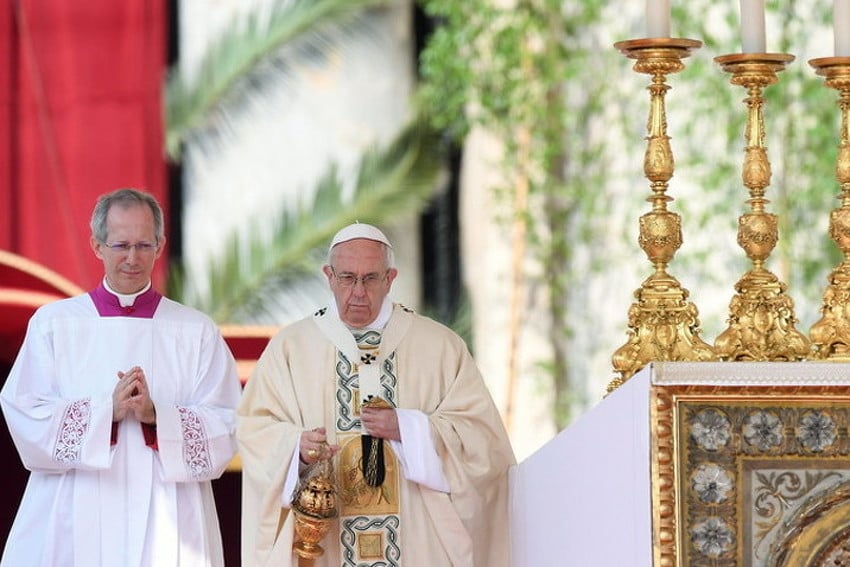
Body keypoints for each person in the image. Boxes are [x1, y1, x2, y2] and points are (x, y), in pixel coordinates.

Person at [237, 222, 516, 567]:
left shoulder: (440, 346)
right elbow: (254, 429)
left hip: (416, 540)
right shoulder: (290, 348)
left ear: (390, 278)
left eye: (370, 278)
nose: (358, 292)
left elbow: (483, 442)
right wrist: (297, 449)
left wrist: (410, 429)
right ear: (328, 275)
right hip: (330, 541)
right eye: (347, 278)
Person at [0, 188, 242, 566]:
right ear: (97, 246)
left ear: (161, 245)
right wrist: (105, 411)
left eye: (144, 245)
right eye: (121, 245)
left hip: (168, 512)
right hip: (74, 506)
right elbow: (25, 411)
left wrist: (157, 415)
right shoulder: (55, 325)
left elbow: (228, 422)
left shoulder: (195, 331)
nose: (133, 258)